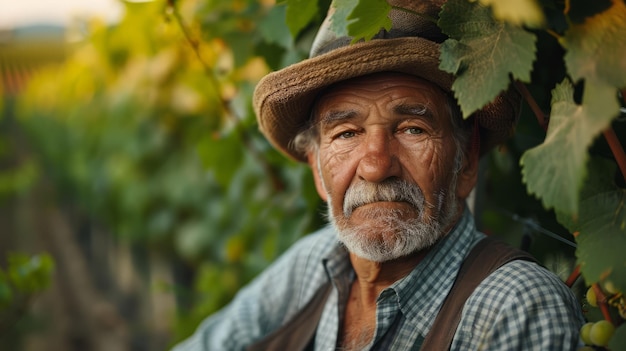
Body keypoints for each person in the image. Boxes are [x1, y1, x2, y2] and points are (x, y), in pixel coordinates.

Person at [173, 1, 584, 350]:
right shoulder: (314, 264)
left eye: (412, 129)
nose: (375, 166)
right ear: (317, 168)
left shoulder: (515, 306)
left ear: (467, 158)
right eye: (346, 133)